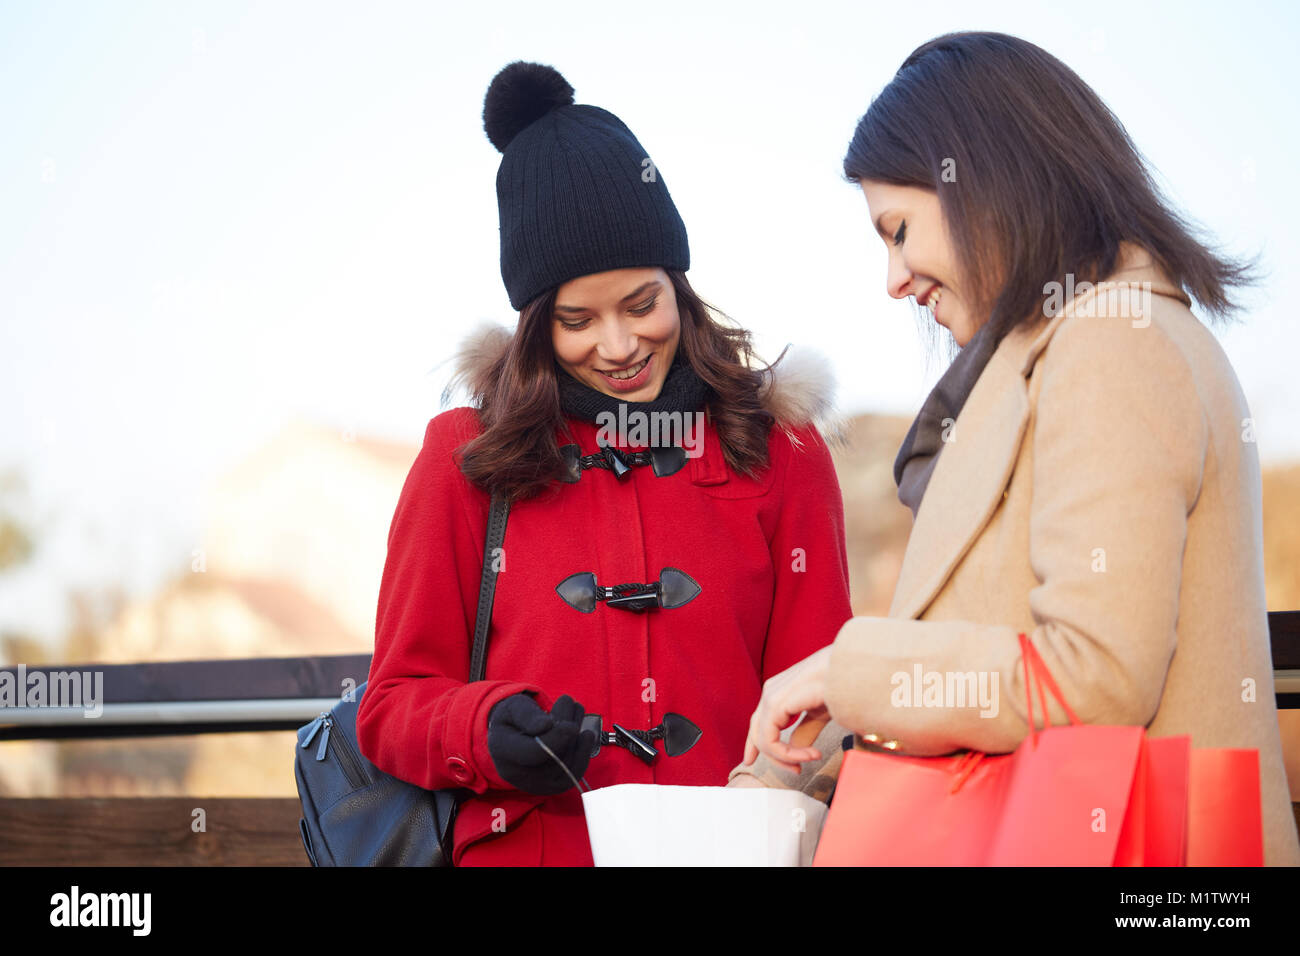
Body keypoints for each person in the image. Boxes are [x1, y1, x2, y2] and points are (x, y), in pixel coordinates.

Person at [731, 31, 1300, 866]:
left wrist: (846, 672)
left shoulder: (1112, 345)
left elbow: (1093, 675)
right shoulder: (1055, 358)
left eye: (898, 229)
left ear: (987, 185)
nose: (893, 279)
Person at [356, 61, 853, 866]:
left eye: (642, 304)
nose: (618, 348)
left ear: (679, 287)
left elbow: (822, 698)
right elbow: (390, 706)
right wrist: (480, 730)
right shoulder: (465, 458)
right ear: (534, 322)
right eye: (577, 319)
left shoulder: (783, 452)